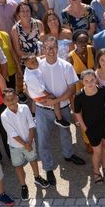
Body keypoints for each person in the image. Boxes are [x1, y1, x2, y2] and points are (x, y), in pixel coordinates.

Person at [34, 37, 86, 186]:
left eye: (53, 47)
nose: (51, 51)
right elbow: (29, 86)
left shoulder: (66, 66)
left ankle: (68, 155)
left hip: (62, 107)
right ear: (43, 49)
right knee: (43, 139)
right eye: (48, 47)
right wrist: (45, 100)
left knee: (65, 134)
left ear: (58, 48)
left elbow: (71, 90)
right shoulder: (36, 66)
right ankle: (48, 168)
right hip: (42, 109)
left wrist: (55, 101)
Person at [0, 89, 50, 201]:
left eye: (12, 98)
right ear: (3, 101)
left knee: (33, 160)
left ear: (17, 98)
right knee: (18, 166)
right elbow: (12, 133)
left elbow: (31, 125)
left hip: (29, 141)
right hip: (15, 146)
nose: (11, 101)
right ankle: (23, 185)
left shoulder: (25, 108)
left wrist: (30, 141)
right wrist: (25, 144)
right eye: (7, 100)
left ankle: (37, 177)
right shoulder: (4, 116)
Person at [73, 70, 105, 185]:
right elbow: (77, 113)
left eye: (92, 80)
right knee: (97, 150)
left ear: (95, 79)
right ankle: (96, 173)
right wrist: (84, 128)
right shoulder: (79, 96)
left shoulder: (102, 90)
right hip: (91, 128)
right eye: (86, 81)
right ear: (82, 82)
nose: (90, 83)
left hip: (104, 123)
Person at [23, 54, 70, 128]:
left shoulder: (32, 63)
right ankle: (59, 118)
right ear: (26, 64)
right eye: (32, 62)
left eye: (35, 60)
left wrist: (49, 55)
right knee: (55, 99)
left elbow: (40, 57)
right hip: (38, 96)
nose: (36, 63)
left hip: (36, 91)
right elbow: (42, 90)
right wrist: (50, 95)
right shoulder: (31, 77)